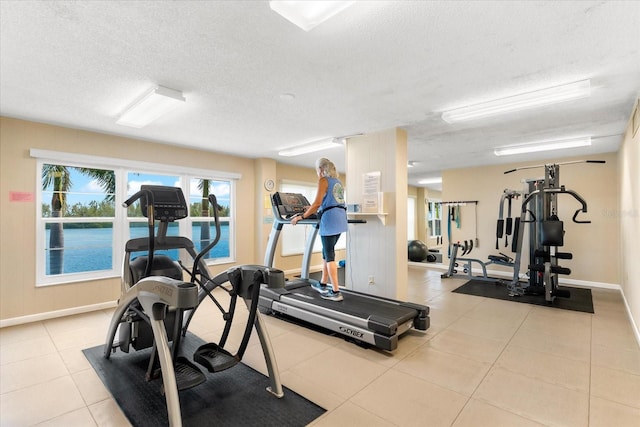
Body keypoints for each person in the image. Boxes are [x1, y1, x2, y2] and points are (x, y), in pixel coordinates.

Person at [291, 158, 348, 301]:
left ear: (321, 169)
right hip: (340, 219)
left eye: (317, 170)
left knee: (329, 255)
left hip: (329, 220)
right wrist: (309, 208)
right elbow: (327, 202)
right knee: (326, 251)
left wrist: (302, 216)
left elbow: (317, 203)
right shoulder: (338, 182)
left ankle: (336, 292)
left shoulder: (323, 180)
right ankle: (323, 283)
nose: (317, 172)